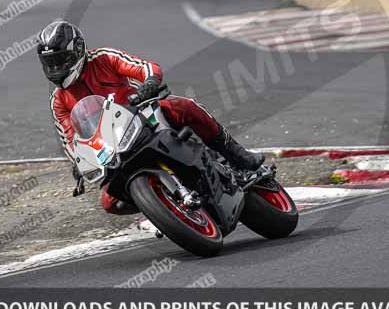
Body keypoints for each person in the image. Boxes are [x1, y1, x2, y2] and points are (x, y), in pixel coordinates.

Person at [37, 20, 265, 214]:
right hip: (110, 148)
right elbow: (70, 140)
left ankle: (237, 155)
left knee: (183, 106)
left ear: (78, 51)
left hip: (143, 115)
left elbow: (146, 67)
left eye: (61, 60)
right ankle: (164, 206)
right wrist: (78, 163)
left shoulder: (103, 58)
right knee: (110, 201)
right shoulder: (59, 99)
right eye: (50, 63)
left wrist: (149, 83)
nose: (56, 68)